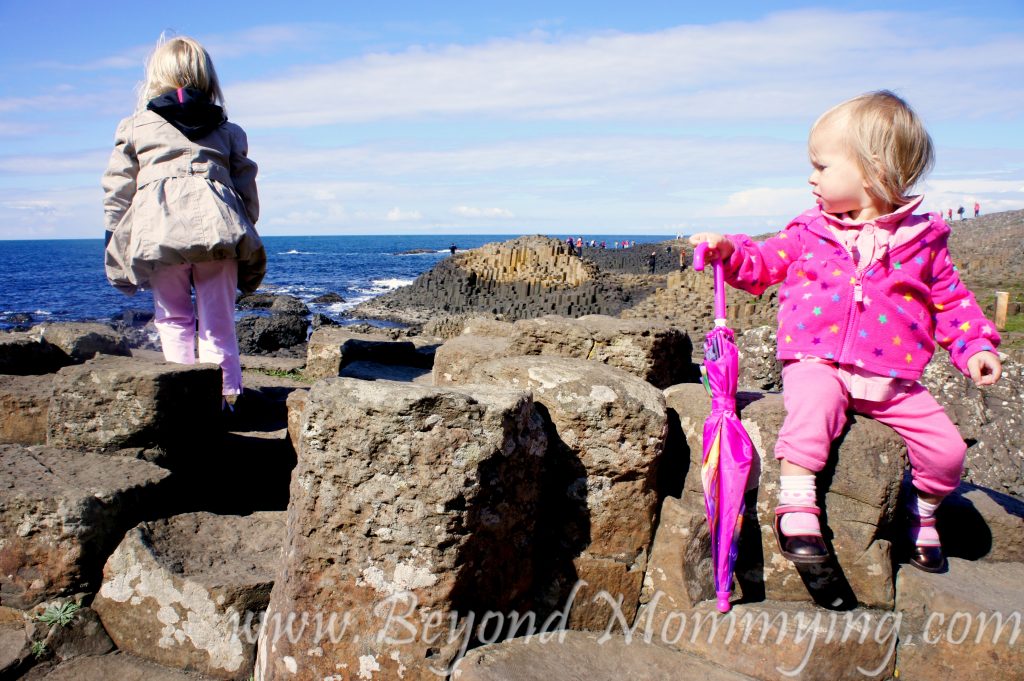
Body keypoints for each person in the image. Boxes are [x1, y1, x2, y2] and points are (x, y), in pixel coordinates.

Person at [689, 91, 1001, 573]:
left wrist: (975, 345)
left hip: (894, 381)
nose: (811, 178)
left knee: (948, 452)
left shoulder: (924, 240)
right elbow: (764, 265)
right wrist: (729, 250)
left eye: (822, 166)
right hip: (819, 362)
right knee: (813, 408)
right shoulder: (808, 231)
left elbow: (951, 302)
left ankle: (922, 513)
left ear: (873, 171)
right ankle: (796, 505)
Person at [102, 35, 265, 406]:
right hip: (219, 232)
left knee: (172, 317)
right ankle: (223, 399)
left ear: (156, 75)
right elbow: (246, 188)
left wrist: (113, 233)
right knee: (218, 321)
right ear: (207, 77)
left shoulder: (134, 127)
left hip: (159, 231)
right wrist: (246, 227)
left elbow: (117, 188)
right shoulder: (227, 130)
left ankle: (184, 401)